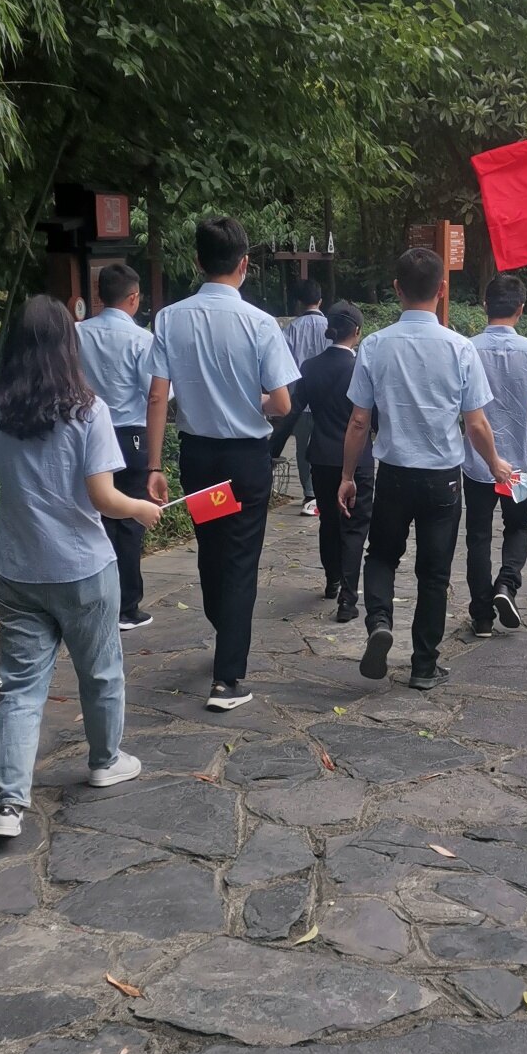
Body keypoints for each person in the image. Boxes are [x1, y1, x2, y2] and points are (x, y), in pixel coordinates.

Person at [0, 297, 159, 839]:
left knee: (21, 688)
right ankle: (105, 761)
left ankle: (8, 805)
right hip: (82, 565)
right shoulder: (87, 411)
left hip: (17, 565)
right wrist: (139, 508)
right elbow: (103, 497)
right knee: (100, 671)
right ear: (67, 346)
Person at [338, 246, 512, 691]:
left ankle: (379, 621)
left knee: (382, 555)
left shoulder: (374, 345)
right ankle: (423, 665)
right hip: (443, 480)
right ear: (442, 289)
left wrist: (347, 476)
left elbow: (358, 421)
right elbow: (476, 423)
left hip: (394, 473)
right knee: (434, 573)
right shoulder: (460, 348)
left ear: (397, 289)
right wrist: (495, 464)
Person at [146, 214, 297, 710]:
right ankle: (227, 678)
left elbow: (157, 396)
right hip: (245, 459)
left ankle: (223, 626)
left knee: (212, 548)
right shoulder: (260, 323)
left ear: (197, 261)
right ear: (244, 264)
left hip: (200, 458)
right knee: (240, 558)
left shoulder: (170, 319)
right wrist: (248, 402)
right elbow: (282, 403)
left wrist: (153, 466)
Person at [463, 273, 527, 636]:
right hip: (519, 461)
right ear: (521, 308)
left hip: (477, 461)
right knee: (518, 526)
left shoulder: (466, 348)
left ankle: (482, 616)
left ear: (485, 305)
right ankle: (507, 583)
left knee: (478, 535)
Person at [271, 301, 373, 621]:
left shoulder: (311, 366)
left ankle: (332, 580)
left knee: (328, 520)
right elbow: (375, 417)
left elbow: (291, 412)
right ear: (357, 331)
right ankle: (348, 597)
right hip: (358, 460)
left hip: (322, 456)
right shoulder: (361, 368)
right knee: (354, 526)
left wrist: (272, 450)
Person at [75, 261, 155, 631]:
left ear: (99, 294)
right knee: (130, 520)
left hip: (85, 431)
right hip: (129, 434)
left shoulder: (77, 333)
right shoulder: (141, 339)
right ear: (133, 297)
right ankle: (127, 605)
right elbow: (154, 392)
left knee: (95, 516)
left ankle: (97, 598)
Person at [284, 277, 328, 516]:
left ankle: (310, 494)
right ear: (320, 300)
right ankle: (326, 489)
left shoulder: (291, 330)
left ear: (299, 303)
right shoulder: (332, 326)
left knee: (303, 449)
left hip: (299, 400)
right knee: (327, 443)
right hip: (327, 399)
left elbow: (282, 365)